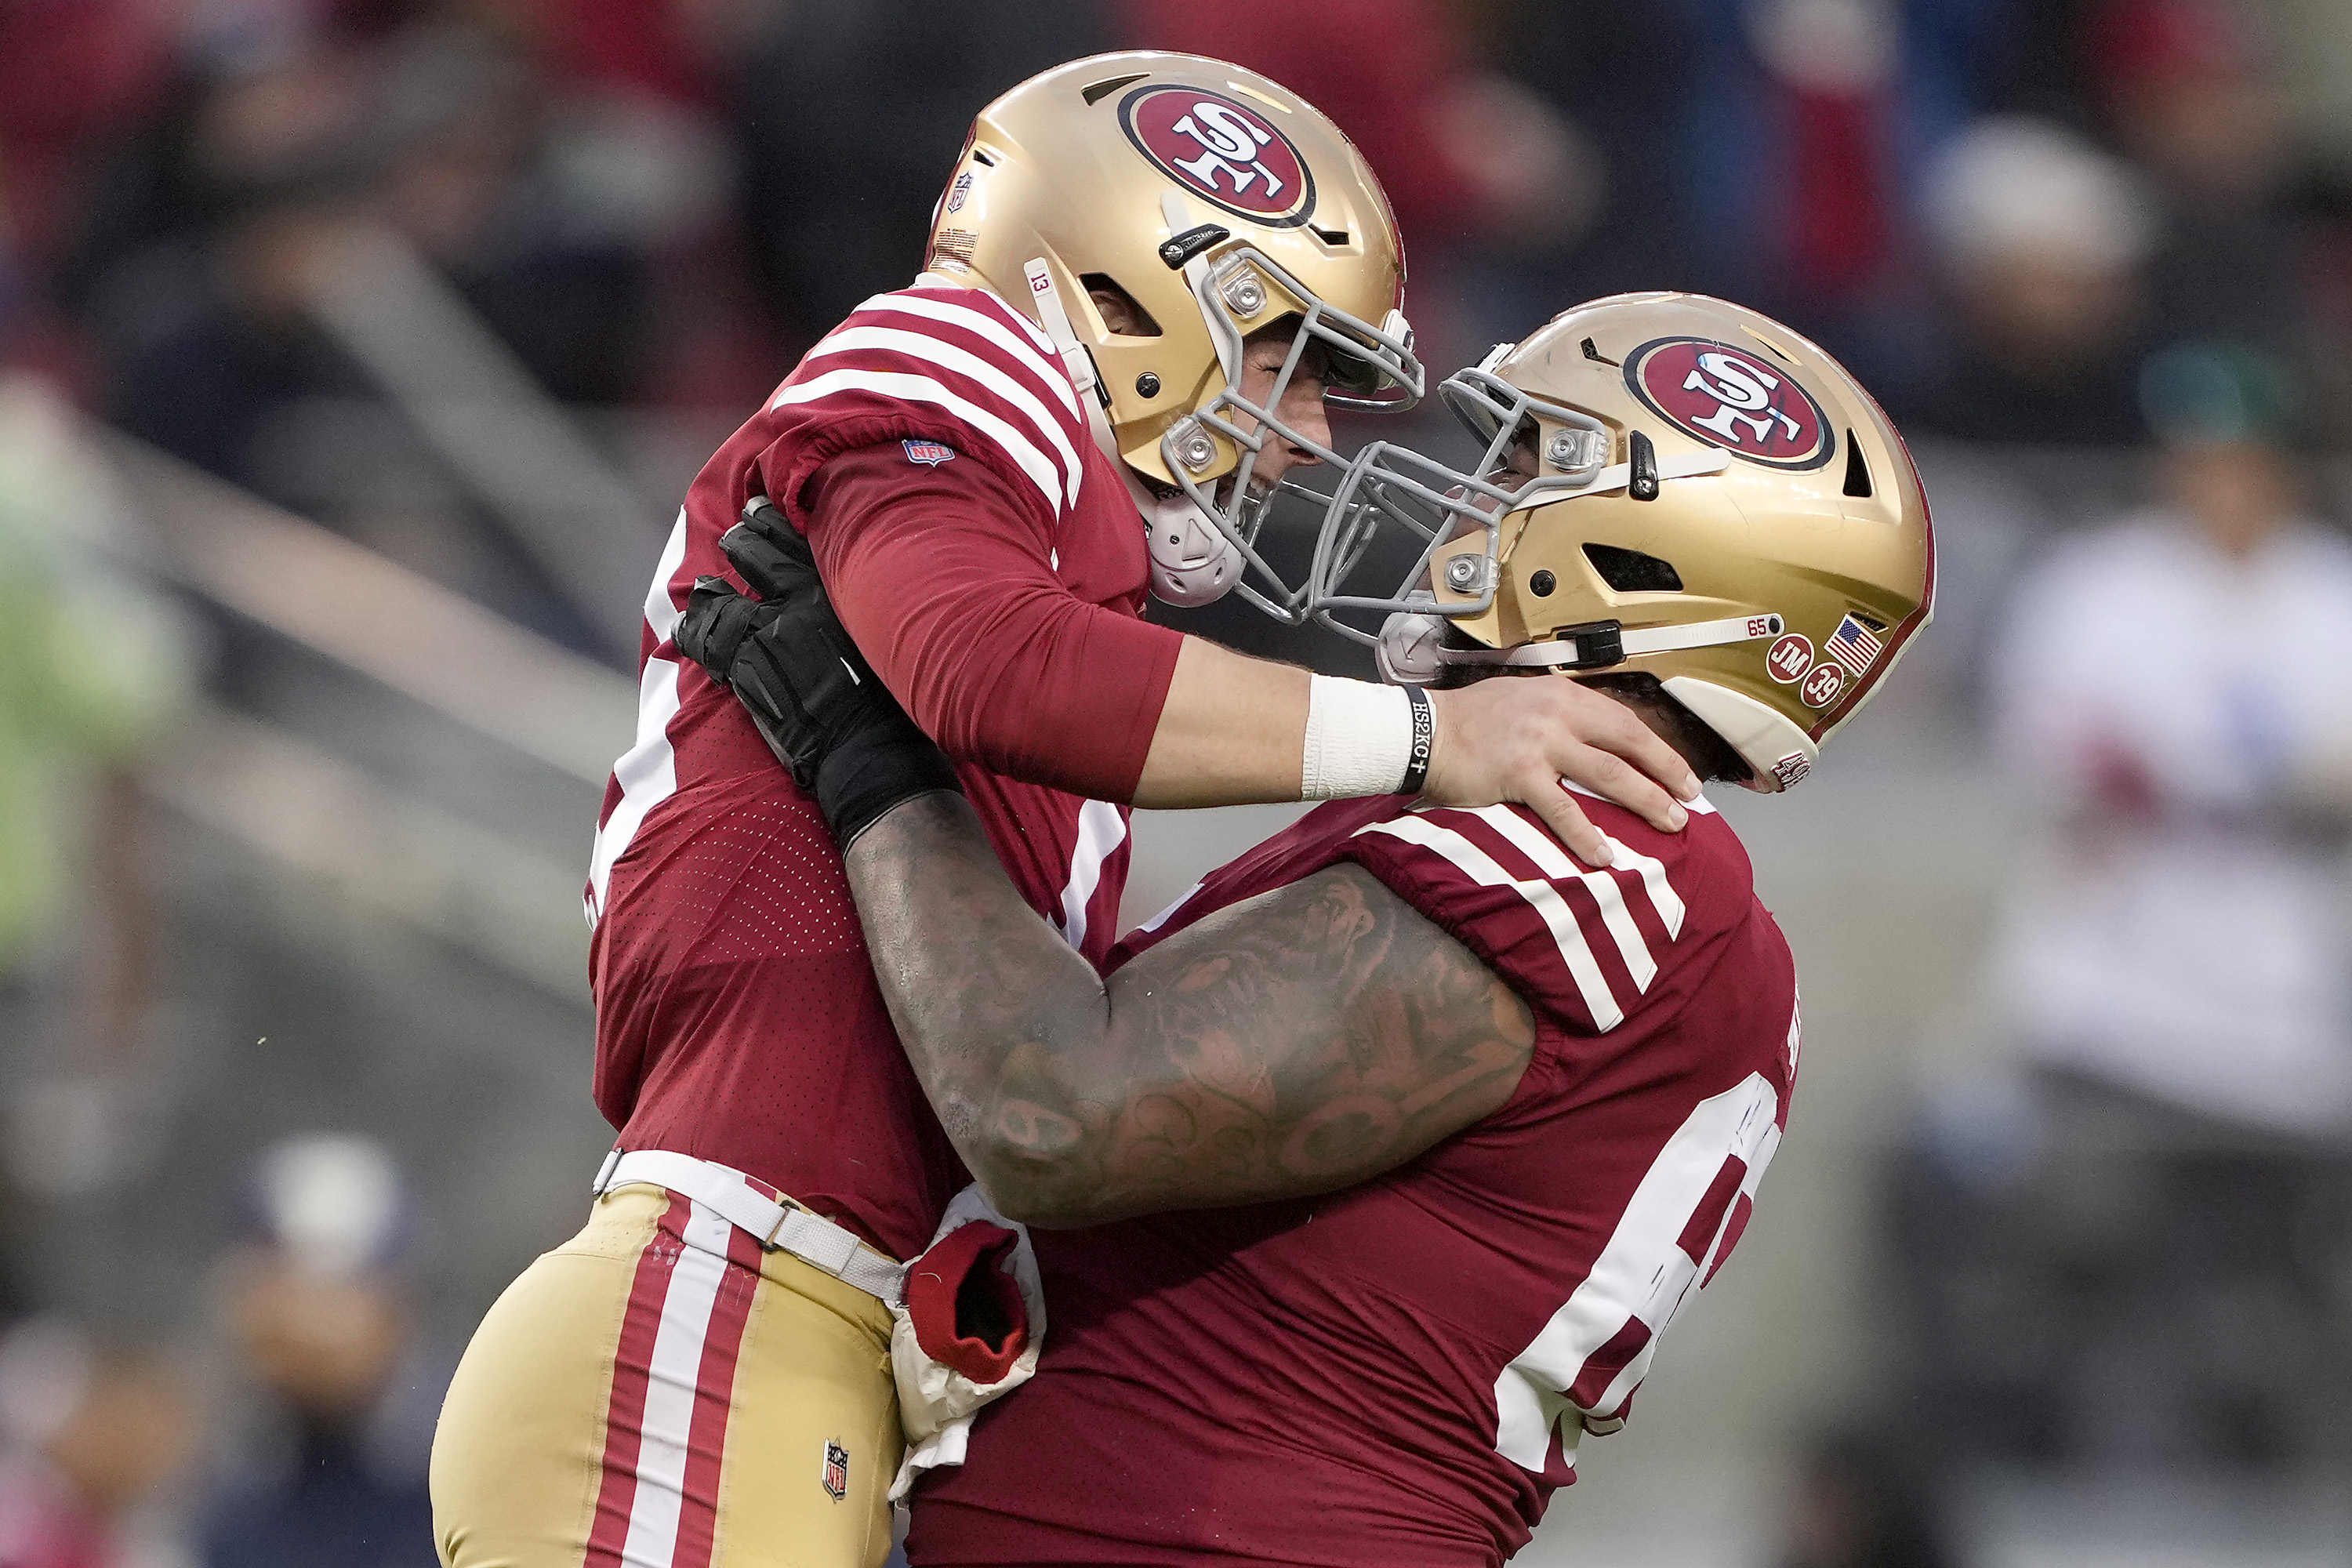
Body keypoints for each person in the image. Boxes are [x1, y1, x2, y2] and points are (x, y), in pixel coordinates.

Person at [430, 52, 1701, 1568]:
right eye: (1290, 355)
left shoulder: (1061, 547)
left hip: (798, 1328)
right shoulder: (959, 359)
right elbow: (988, 667)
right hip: (724, 1292)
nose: (1311, 432)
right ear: (1119, 290)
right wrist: (1429, 736)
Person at [681, 290, 1934, 1564]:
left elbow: (1054, 1114)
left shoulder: (1591, 852)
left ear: (1649, 555)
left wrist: (869, 758)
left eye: (1519, 470)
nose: (1462, 505)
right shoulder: (1592, 854)